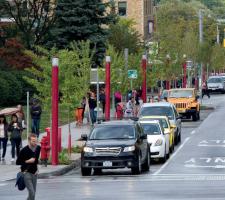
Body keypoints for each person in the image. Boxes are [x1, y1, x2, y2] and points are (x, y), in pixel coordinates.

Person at [16, 133, 41, 200]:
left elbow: (35, 160)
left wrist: (37, 168)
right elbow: (18, 162)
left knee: (33, 194)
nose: (35, 143)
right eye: (33, 141)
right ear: (29, 141)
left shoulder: (38, 148)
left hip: (34, 173)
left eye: (36, 141)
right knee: (32, 193)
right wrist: (27, 161)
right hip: (26, 173)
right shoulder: (23, 150)